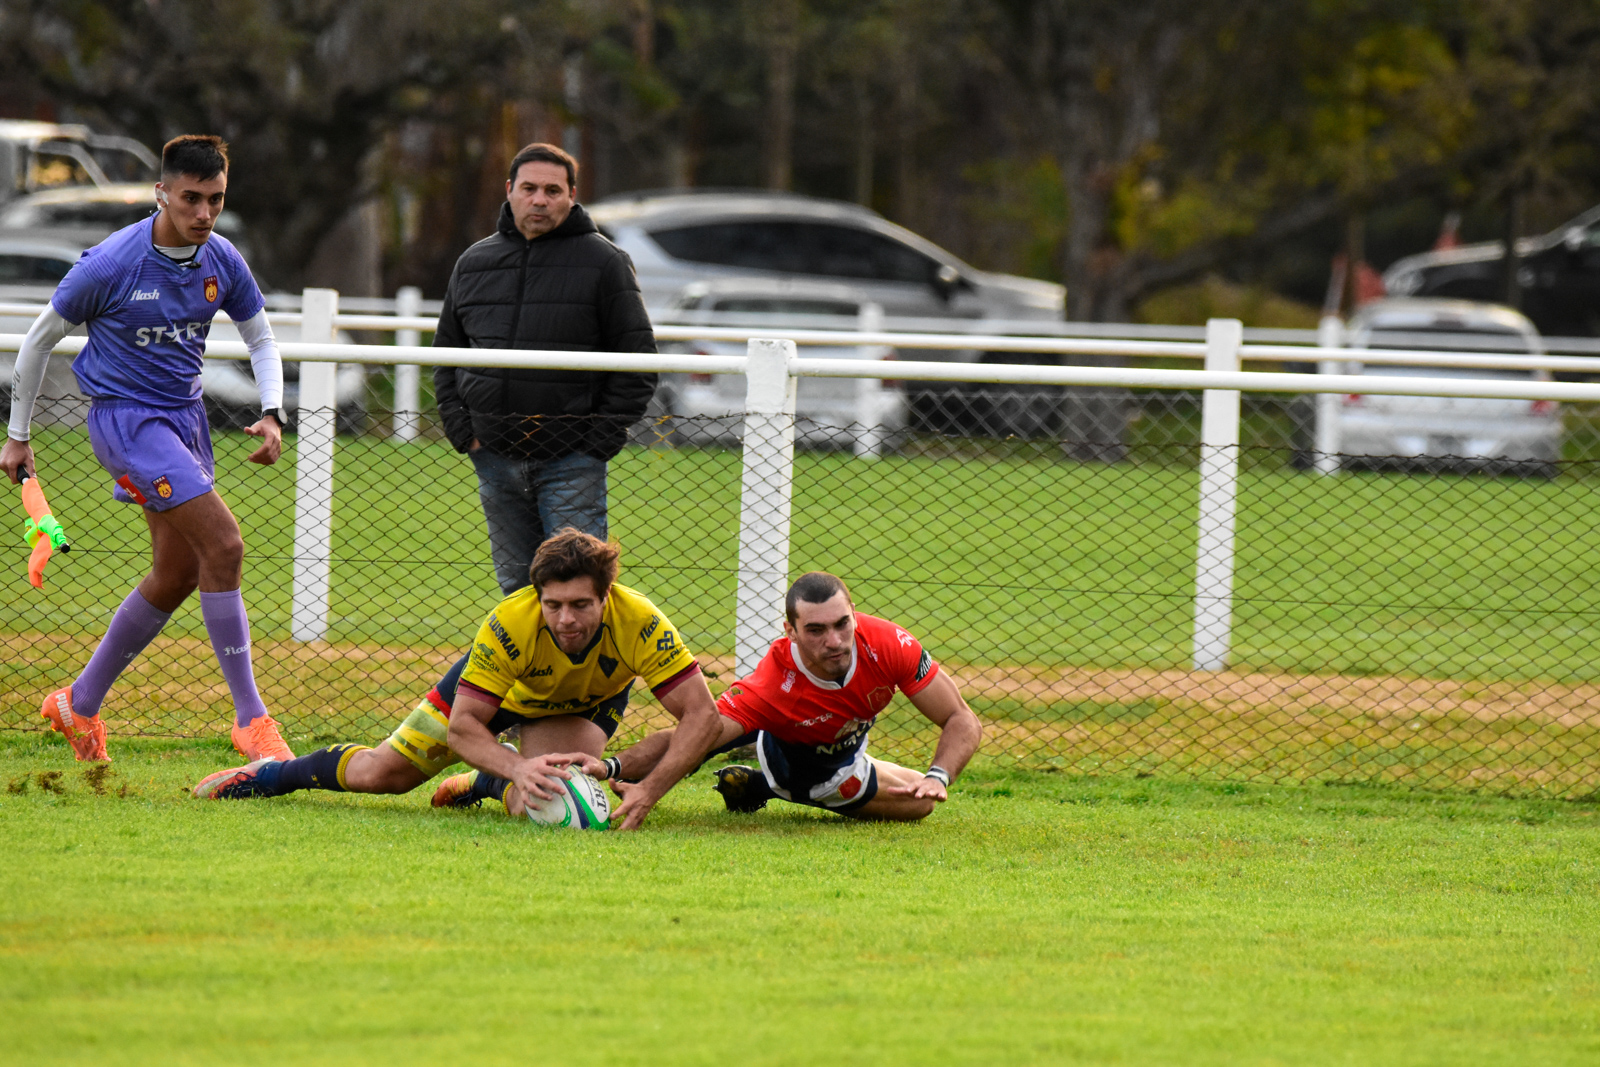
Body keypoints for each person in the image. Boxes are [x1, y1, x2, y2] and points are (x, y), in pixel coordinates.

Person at [1, 135, 293, 765]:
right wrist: (17, 435)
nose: (204, 213)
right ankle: (251, 719)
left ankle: (78, 702)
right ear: (163, 193)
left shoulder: (222, 259)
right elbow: (37, 341)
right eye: (191, 198)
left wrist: (271, 411)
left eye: (215, 199)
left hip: (184, 419)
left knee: (179, 572)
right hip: (127, 424)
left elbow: (261, 337)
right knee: (225, 545)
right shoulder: (113, 262)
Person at [191, 529, 722, 831]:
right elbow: (465, 729)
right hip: (501, 698)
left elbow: (703, 717)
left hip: (580, 705)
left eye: (582, 605)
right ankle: (272, 774)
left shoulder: (642, 621)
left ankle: (488, 784)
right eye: (554, 605)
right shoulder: (508, 624)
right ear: (537, 598)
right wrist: (515, 761)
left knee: (551, 800)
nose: (567, 620)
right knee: (384, 775)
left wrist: (648, 792)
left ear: (607, 596)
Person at [432, 142, 657, 596]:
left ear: (572, 195)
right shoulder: (474, 262)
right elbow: (445, 356)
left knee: (581, 588)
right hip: (493, 455)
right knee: (517, 589)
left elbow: (638, 363)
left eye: (552, 190)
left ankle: (595, 670)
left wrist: (597, 443)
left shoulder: (606, 262)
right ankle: (526, 670)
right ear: (510, 190)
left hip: (573, 461)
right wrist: (465, 432)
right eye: (530, 188)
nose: (540, 200)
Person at [600, 572, 982, 822]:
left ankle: (754, 782)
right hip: (808, 768)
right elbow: (699, 733)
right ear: (791, 630)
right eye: (815, 630)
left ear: (853, 612)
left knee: (924, 785)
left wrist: (939, 776)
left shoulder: (890, 644)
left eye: (841, 624)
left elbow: (962, 719)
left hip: (844, 743)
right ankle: (768, 785)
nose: (834, 641)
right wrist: (616, 770)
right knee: (921, 805)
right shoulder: (772, 686)